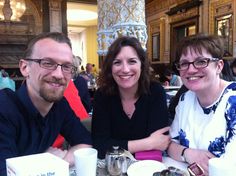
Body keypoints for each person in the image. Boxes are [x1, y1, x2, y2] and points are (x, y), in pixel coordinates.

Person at [0, 32, 92, 175]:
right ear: (25, 68)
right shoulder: (4, 107)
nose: (59, 74)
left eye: (66, 66)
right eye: (48, 63)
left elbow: (85, 143)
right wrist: (45, 162)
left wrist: (57, 163)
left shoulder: (60, 105)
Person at [91, 36, 171, 159]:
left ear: (142, 65)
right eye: (117, 62)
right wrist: (148, 143)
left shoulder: (155, 91)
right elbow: (99, 146)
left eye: (132, 61)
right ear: (110, 68)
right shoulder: (102, 95)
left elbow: (161, 142)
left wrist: (117, 145)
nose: (125, 69)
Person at [167, 34, 236, 175]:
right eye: (184, 63)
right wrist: (189, 153)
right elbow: (169, 145)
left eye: (201, 61)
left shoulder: (232, 102)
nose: (191, 70)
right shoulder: (185, 100)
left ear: (219, 66)